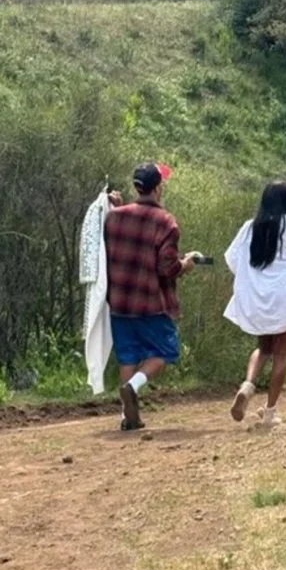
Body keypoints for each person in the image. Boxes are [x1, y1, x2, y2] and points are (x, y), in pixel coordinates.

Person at [224, 181, 286, 428]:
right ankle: (270, 412)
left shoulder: (251, 227)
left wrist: (254, 280)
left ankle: (247, 386)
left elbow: (232, 259)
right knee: (281, 353)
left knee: (263, 348)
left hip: (258, 299)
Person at [105, 162, 197, 431]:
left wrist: (115, 205)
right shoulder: (166, 222)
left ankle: (127, 416)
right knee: (165, 351)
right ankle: (133, 387)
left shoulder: (113, 217)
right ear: (158, 188)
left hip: (119, 301)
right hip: (151, 302)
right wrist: (185, 264)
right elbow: (166, 267)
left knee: (128, 356)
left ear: (136, 188)